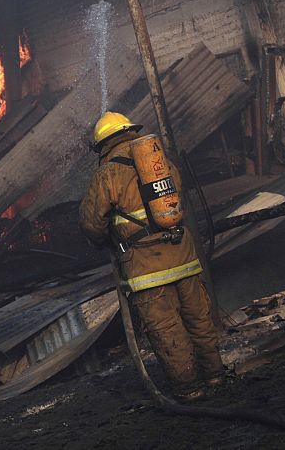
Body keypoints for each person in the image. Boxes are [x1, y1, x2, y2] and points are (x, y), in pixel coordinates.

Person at [78, 112, 224, 398]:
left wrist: (104, 240)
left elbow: (91, 222)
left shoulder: (107, 173)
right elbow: (178, 190)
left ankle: (189, 388)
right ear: (129, 131)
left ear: (102, 145)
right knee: (199, 318)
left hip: (146, 268)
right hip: (183, 255)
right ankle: (216, 375)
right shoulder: (158, 159)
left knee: (166, 328)